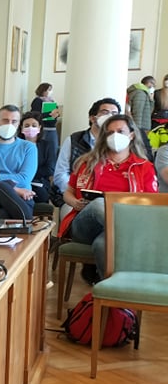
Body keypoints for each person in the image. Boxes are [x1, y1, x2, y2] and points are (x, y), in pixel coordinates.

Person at [60, 115, 157, 282]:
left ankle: (111, 294)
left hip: (118, 226)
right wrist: (74, 202)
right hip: (86, 223)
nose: (115, 136)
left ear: (131, 135)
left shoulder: (144, 167)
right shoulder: (87, 162)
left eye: (120, 131)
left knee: (102, 245)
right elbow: (68, 192)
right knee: (100, 203)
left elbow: (151, 204)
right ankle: (128, 234)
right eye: (110, 132)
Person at [54, 98, 122, 190]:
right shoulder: (74, 140)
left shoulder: (119, 143)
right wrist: (73, 193)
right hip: (75, 192)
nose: (110, 117)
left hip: (108, 194)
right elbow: (61, 174)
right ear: (93, 118)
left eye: (114, 114)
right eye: (105, 113)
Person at [19, 111, 55, 205]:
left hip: (39, 183)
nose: (30, 128)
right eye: (27, 125)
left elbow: (50, 169)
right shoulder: (16, 145)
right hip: (19, 183)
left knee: (40, 194)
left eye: (34, 125)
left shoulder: (47, 146)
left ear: (39, 128)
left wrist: (27, 174)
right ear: (21, 128)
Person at [29, 83, 59, 173]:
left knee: (54, 149)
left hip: (52, 128)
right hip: (43, 128)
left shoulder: (52, 101)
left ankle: (52, 170)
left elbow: (56, 112)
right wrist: (49, 114)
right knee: (42, 149)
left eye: (51, 89)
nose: (50, 92)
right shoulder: (37, 101)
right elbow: (36, 115)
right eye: (48, 89)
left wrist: (56, 114)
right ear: (43, 90)